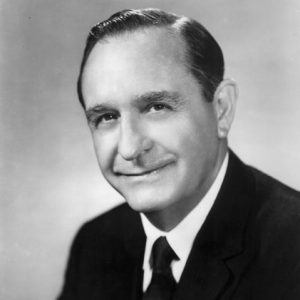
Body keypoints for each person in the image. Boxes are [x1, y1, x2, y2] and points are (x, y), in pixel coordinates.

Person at [58, 8, 300, 300]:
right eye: (107, 117)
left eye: (157, 107)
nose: (130, 148)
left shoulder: (291, 246)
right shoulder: (96, 244)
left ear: (222, 109)